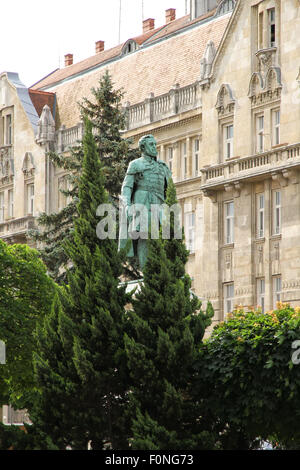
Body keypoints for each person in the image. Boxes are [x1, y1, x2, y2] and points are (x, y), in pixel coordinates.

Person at [119, 134, 172, 270]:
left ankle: (160, 270)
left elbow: (170, 189)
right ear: (143, 147)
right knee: (145, 236)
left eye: (155, 144)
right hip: (142, 202)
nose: (155, 147)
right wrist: (127, 206)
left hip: (160, 203)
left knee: (163, 236)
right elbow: (127, 187)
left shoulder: (163, 167)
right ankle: (146, 272)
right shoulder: (135, 164)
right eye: (151, 145)